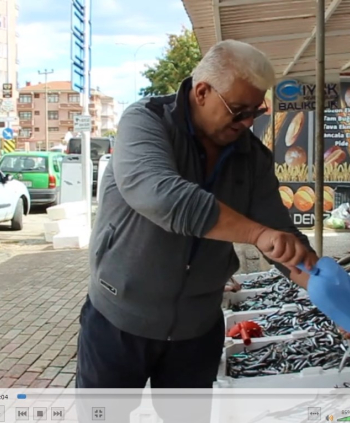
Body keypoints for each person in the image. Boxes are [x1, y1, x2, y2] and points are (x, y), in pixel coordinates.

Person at [76, 40, 322, 422]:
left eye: (255, 112)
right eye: (238, 111)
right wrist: (255, 234)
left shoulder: (251, 156)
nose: (247, 123)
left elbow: (283, 237)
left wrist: (336, 300)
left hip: (197, 332)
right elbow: (162, 197)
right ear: (202, 91)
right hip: (117, 322)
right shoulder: (146, 122)